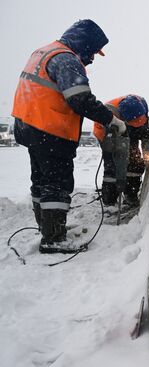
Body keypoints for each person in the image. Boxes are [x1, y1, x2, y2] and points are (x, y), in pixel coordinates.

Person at [12, 19, 126, 253]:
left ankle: (47, 228)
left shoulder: (44, 52)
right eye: (93, 51)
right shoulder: (66, 59)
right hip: (50, 130)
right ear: (83, 43)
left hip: (29, 125)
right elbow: (80, 99)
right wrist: (110, 119)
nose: (92, 58)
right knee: (57, 184)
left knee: (41, 180)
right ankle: (54, 239)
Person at [93, 95, 149, 208]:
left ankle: (130, 194)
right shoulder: (108, 113)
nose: (141, 122)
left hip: (127, 127)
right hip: (107, 132)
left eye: (142, 119)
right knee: (113, 164)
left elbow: (145, 134)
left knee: (134, 160)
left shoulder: (142, 105)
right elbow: (114, 146)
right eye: (136, 121)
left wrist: (148, 154)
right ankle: (109, 197)